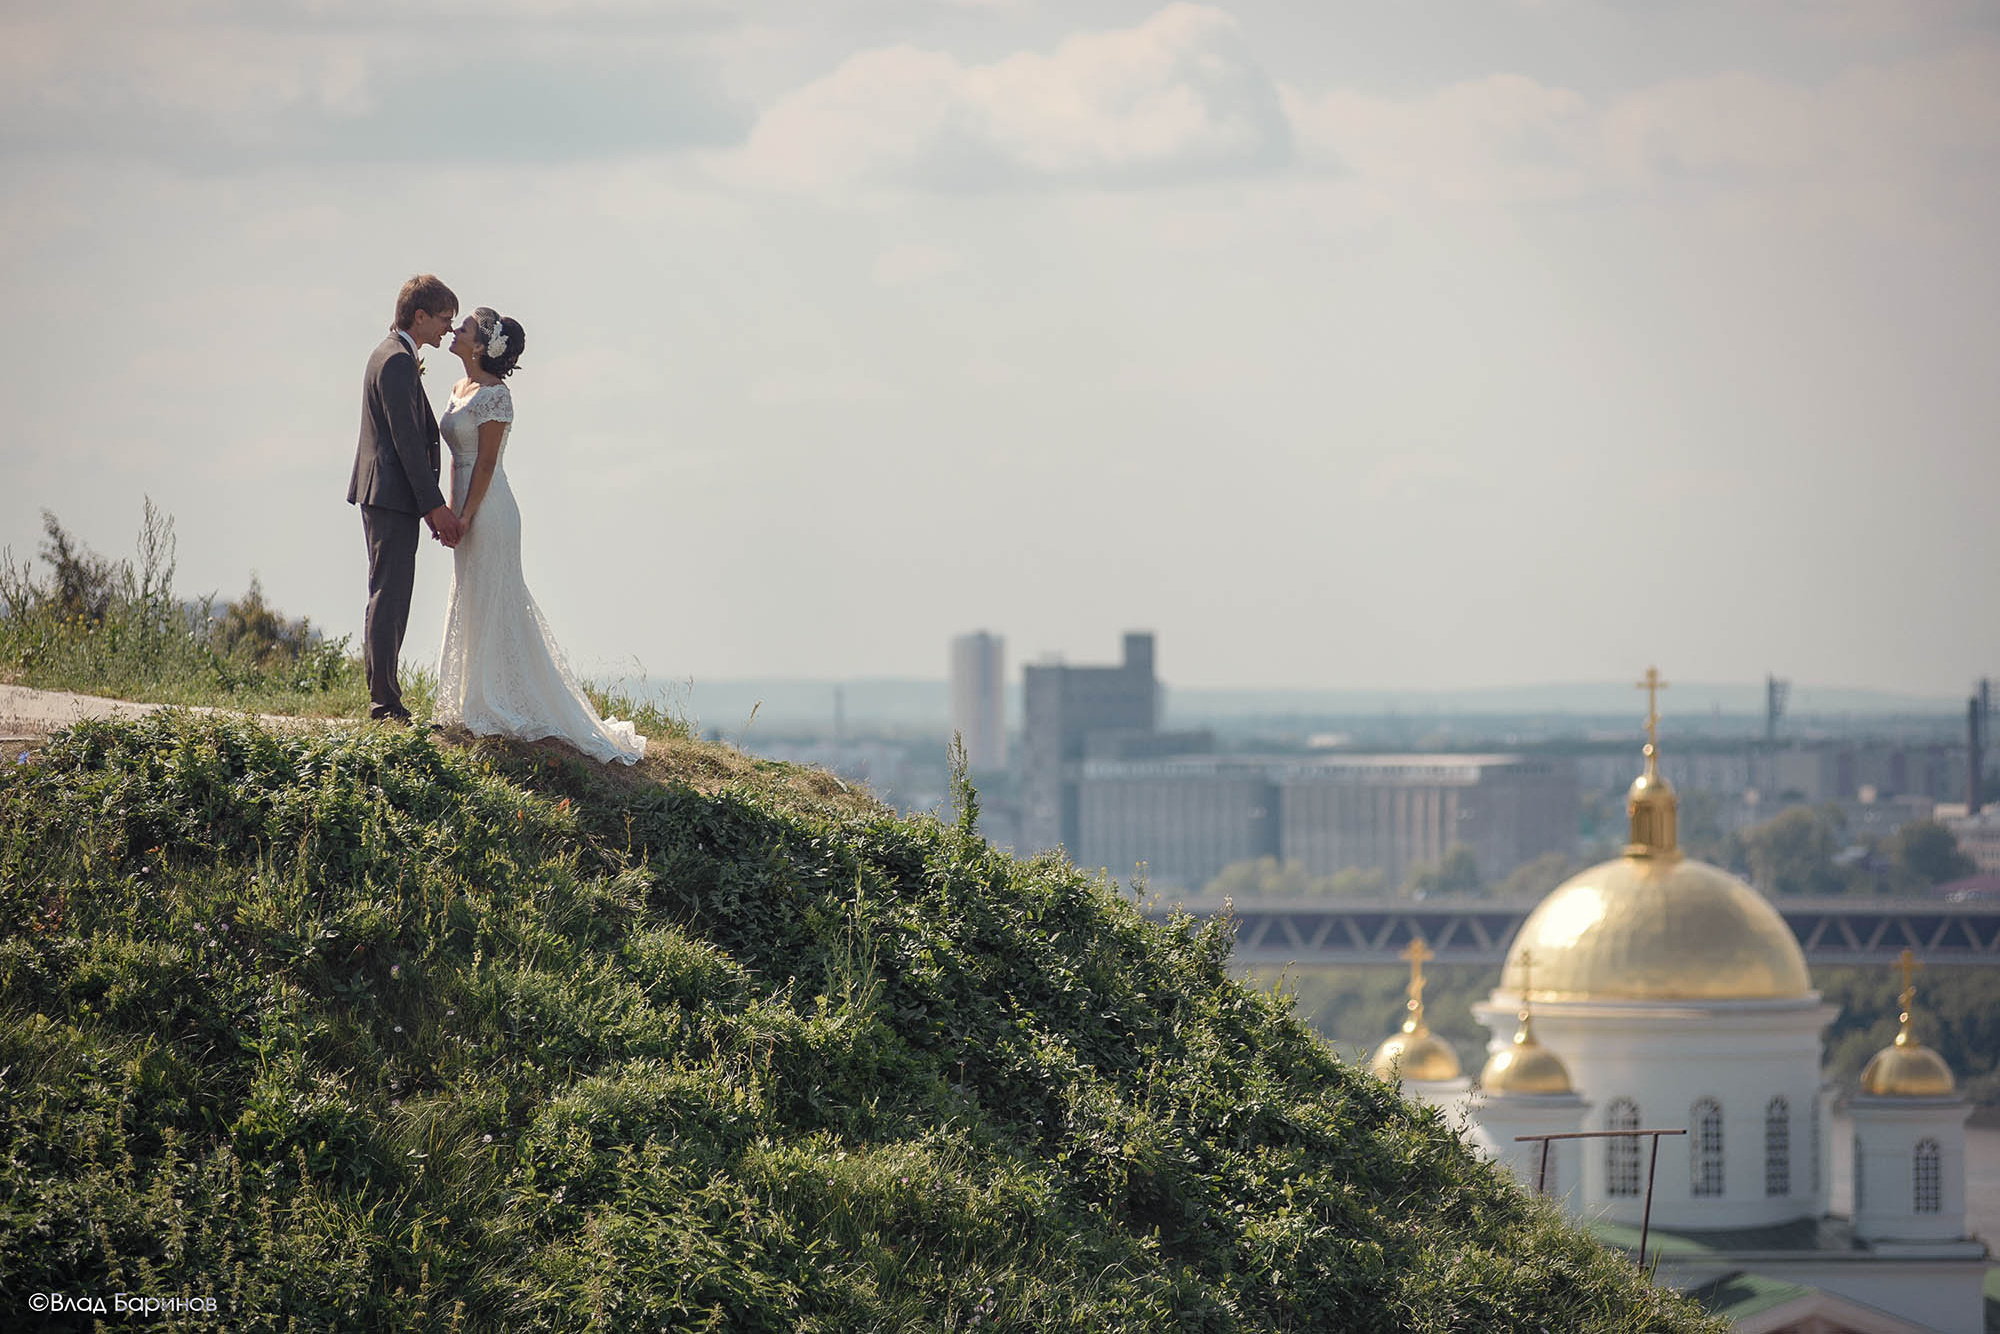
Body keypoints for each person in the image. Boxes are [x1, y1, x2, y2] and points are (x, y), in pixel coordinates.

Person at [430, 306, 647, 764]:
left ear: (482, 344)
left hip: (491, 510)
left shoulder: (497, 397)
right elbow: (458, 460)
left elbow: (486, 465)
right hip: (465, 505)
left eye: (464, 327)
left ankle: (497, 700)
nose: (455, 330)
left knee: (494, 595)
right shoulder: (456, 389)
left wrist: (467, 516)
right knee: (468, 593)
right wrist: (449, 514)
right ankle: (472, 693)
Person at [347, 274, 464, 722]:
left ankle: (385, 696)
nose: (447, 329)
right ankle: (385, 703)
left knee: (389, 592)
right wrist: (433, 505)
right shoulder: (396, 360)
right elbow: (407, 442)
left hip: (388, 494)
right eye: (443, 319)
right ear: (420, 316)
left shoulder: (392, 354)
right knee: (390, 594)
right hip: (390, 494)